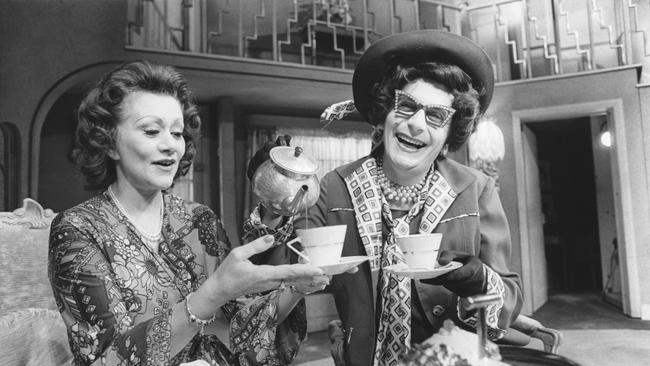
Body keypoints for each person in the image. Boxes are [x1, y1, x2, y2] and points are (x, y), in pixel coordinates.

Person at [247, 30, 523, 365]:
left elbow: (507, 300)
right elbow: (275, 279)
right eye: (406, 107)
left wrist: (480, 280)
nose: (416, 125)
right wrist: (275, 200)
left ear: (451, 130)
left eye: (436, 116)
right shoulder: (336, 186)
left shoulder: (476, 190)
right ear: (386, 113)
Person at [48, 60, 330, 366]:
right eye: (152, 131)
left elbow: (243, 330)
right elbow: (107, 359)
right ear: (110, 142)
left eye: (178, 133)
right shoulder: (78, 229)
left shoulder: (199, 220)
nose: (171, 145)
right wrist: (211, 295)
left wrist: (298, 287)